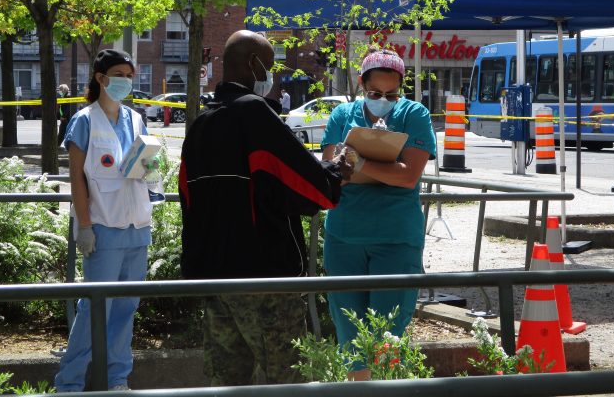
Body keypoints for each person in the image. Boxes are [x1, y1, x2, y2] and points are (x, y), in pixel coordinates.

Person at [179, 30, 354, 387]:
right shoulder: (254, 114)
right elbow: (307, 186)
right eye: (270, 67)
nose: (271, 78)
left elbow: (188, 200)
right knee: (288, 378)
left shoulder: (200, 124)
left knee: (225, 383)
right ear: (253, 64)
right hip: (264, 277)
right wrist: (337, 173)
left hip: (213, 276)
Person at [320, 47, 436, 381]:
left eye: (391, 93)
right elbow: (332, 171)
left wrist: (358, 161)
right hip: (344, 239)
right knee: (351, 342)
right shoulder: (342, 115)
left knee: (387, 340)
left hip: (396, 240)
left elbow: (408, 176)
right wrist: (385, 167)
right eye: (375, 93)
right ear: (361, 84)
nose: (383, 99)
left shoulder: (415, 114)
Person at [54, 49, 154, 393]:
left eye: (130, 75)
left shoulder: (136, 118)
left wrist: (153, 172)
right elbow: (77, 181)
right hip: (103, 229)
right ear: (100, 78)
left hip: (137, 227)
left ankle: (116, 379)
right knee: (93, 311)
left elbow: (145, 169)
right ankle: (69, 383)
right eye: (119, 74)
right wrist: (84, 226)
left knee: (126, 311)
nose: (126, 81)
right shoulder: (84, 120)